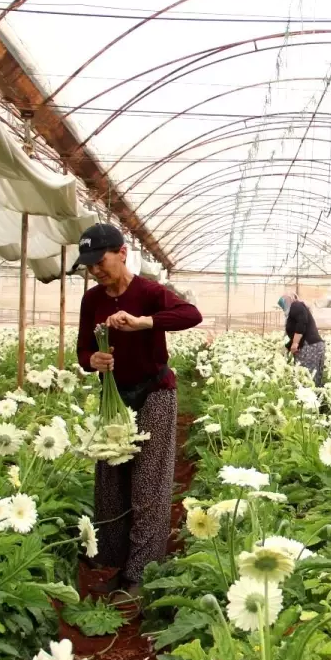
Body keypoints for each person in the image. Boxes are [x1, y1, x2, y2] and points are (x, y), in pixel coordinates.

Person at [74, 224, 203, 605]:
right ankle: (115, 567)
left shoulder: (148, 292)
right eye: (89, 266)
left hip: (154, 394)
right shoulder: (92, 300)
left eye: (100, 262)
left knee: (148, 486)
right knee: (110, 487)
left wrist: (144, 322)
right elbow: (83, 350)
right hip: (113, 398)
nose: (95, 271)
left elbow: (190, 315)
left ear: (122, 252)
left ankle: (140, 575)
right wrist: (92, 360)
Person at [279, 292, 325, 386]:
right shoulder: (294, 310)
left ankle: (310, 399)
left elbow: (301, 323)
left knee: (307, 378)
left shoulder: (296, 305)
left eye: (284, 302)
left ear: (290, 299)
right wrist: (287, 347)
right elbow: (298, 332)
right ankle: (313, 399)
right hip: (311, 346)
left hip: (309, 347)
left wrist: (295, 343)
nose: (284, 305)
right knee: (310, 378)